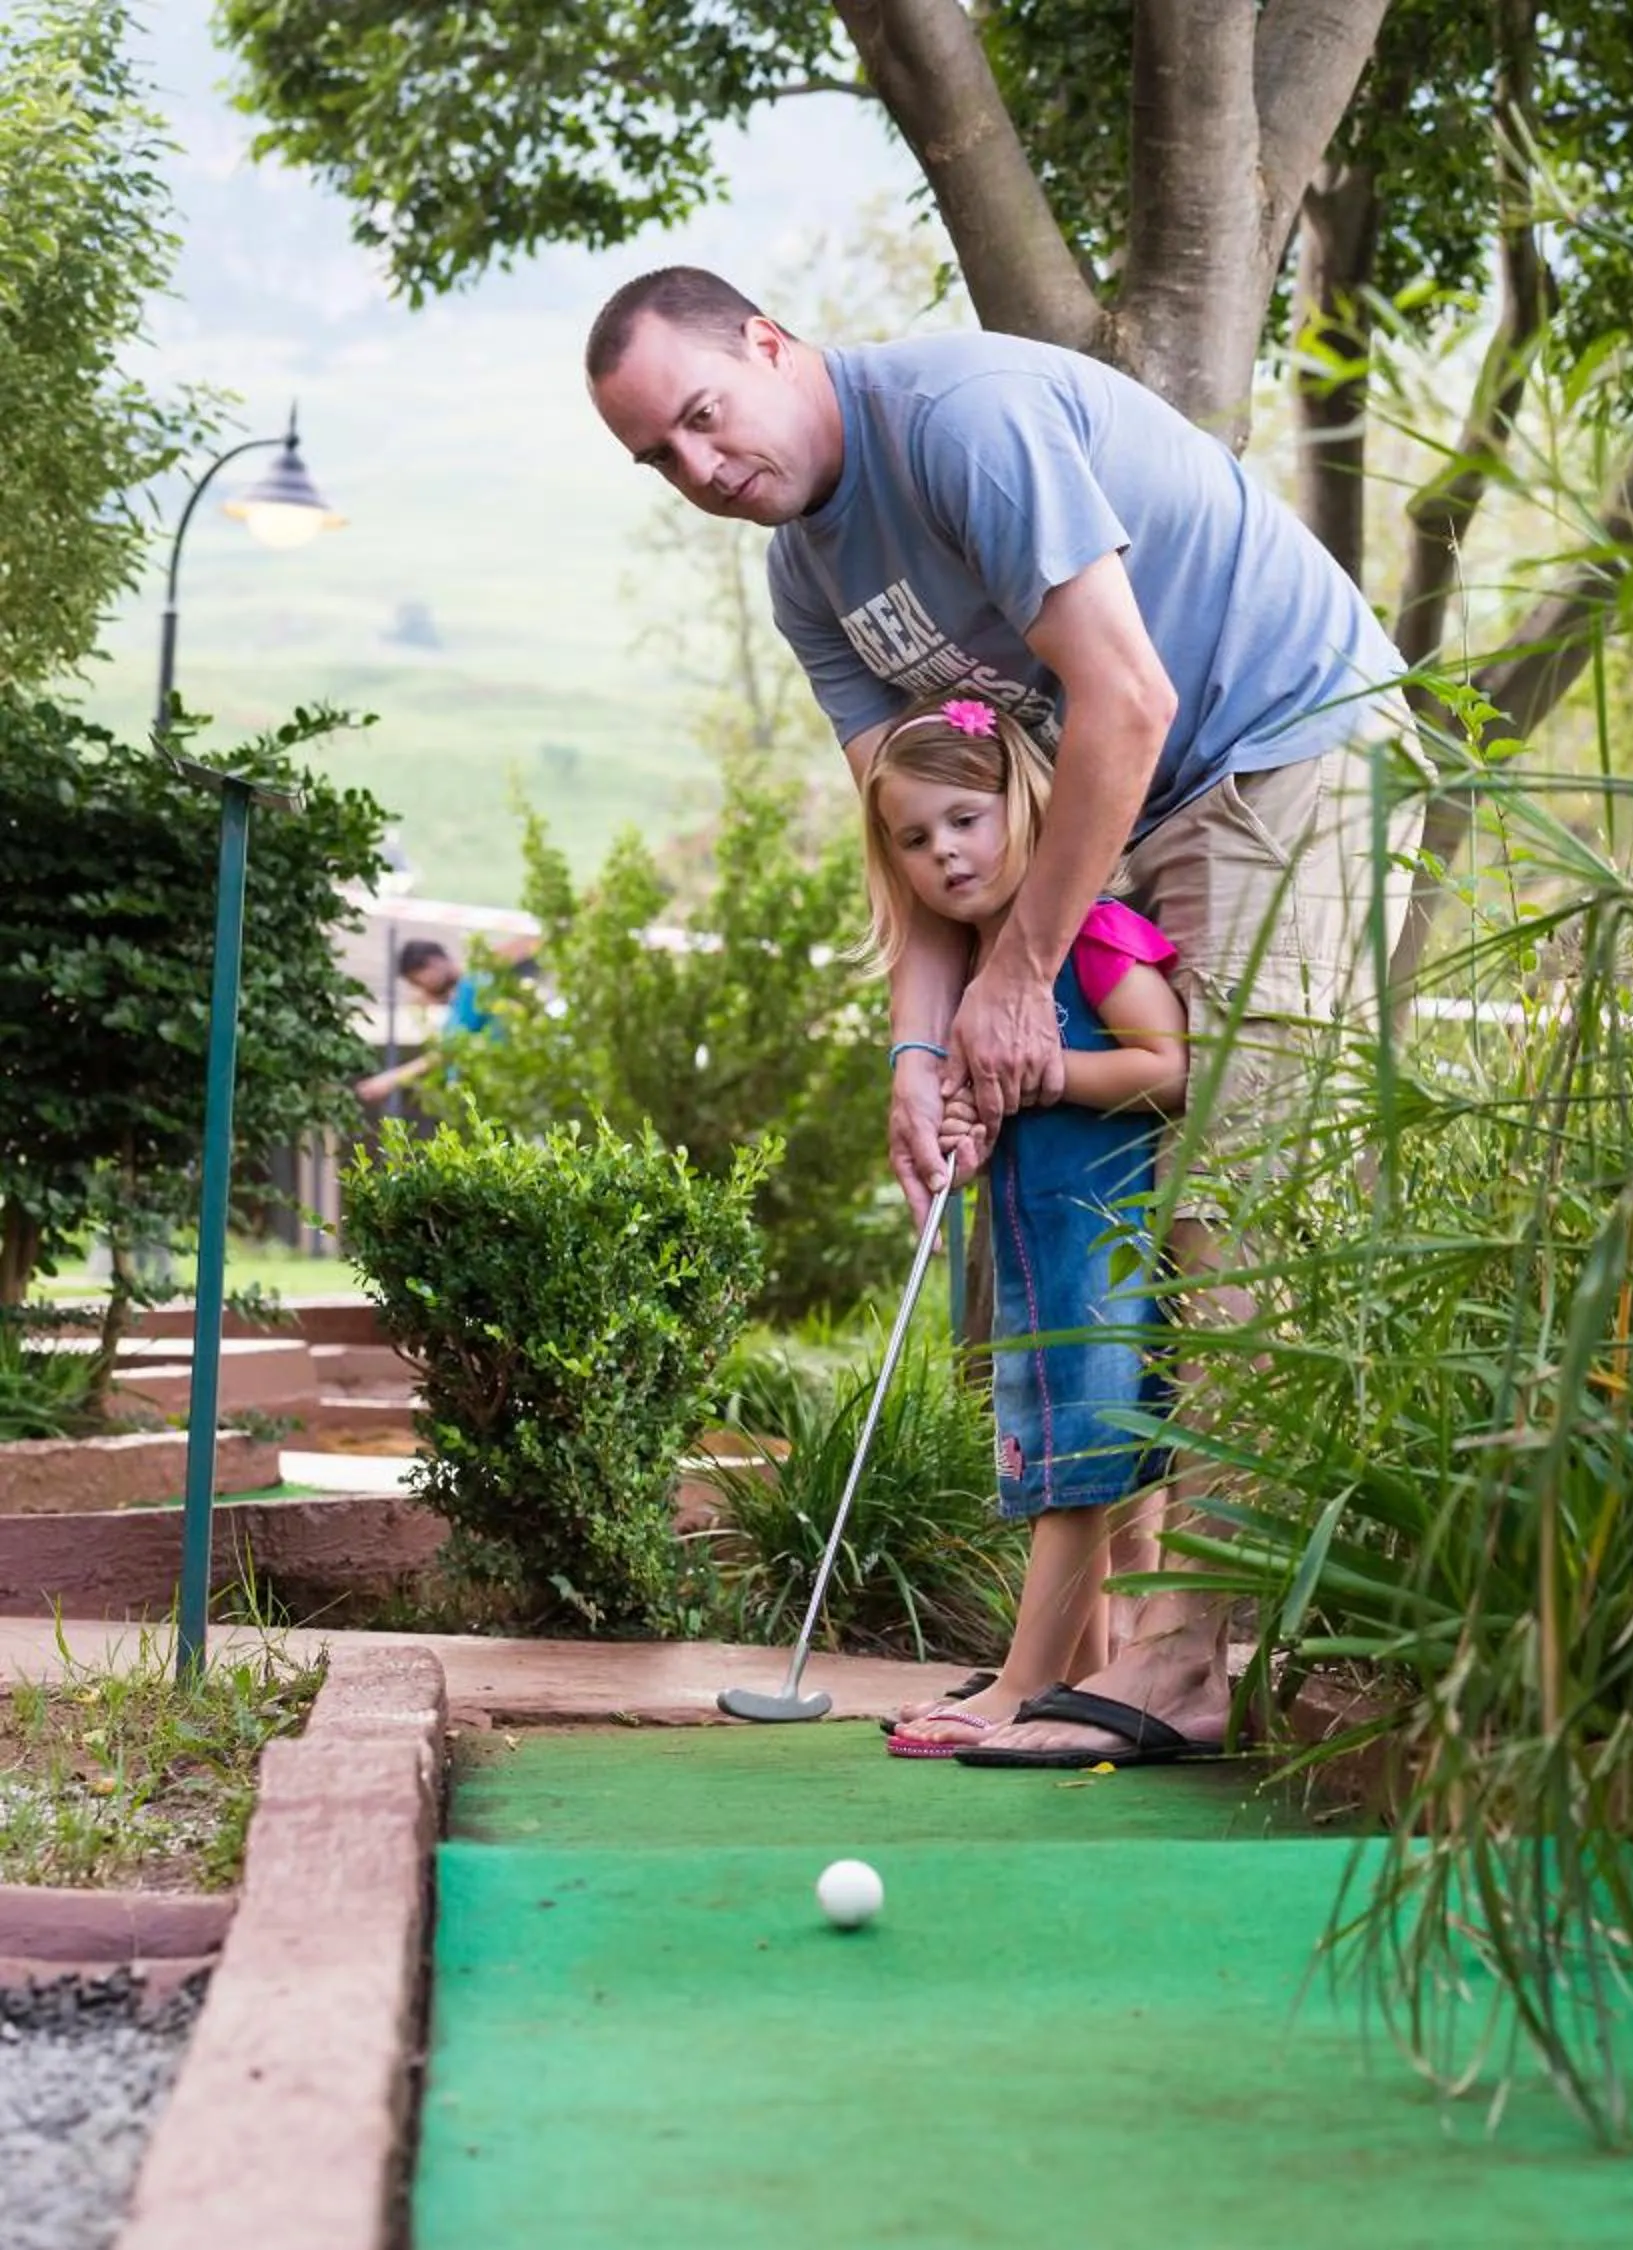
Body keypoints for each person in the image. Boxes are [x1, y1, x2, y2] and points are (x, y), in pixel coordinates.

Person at [585, 265, 1423, 1765]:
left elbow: (1130, 700)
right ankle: (1088, 1651)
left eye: (705, 418)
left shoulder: (958, 419)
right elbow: (912, 845)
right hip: (1108, 822)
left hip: (1281, 748)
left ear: (771, 344)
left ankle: (1193, 1660)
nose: (702, 471)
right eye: (661, 459)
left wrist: (1023, 978)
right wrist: (920, 1048)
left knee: (1241, 1194)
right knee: (1087, 1222)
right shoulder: (804, 576)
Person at [852, 698, 1193, 1764]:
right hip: (1036, 1244)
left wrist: (1048, 1079)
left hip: (1102, 1242)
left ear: (1023, 804)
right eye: (914, 838)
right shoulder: (975, 966)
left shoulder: (1085, 933)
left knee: (1079, 1457)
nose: (944, 852)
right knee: (1052, 1442)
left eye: (964, 818)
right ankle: (1083, 1667)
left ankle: (1027, 1677)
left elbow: (1167, 1065)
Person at [354, 935, 539, 1107]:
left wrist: (392, 1079)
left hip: (494, 1096)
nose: (422, 989)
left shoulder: (472, 986)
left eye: (418, 981)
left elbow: (450, 1050)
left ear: (433, 963)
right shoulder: (461, 998)